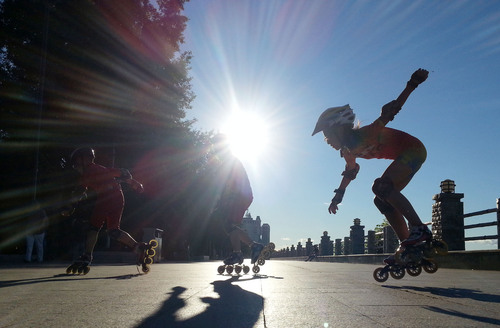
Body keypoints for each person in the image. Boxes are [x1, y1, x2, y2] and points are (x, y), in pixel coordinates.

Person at [312, 68, 431, 264]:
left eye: (328, 135)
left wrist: (412, 84)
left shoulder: (365, 135)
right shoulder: (349, 150)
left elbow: (392, 110)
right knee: (381, 200)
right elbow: (350, 172)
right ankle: (409, 246)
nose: (326, 141)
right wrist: (337, 196)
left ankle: (419, 229)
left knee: (381, 186)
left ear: (340, 129)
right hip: (405, 156)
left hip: (414, 150)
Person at [64, 147, 146, 267]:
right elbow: (122, 172)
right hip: (118, 197)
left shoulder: (89, 171)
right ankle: (137, 247)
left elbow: (80, 191)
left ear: (85, 160)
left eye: (76, 164)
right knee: (113, 230)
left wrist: (70, 206)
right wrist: (134, 183)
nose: (75, 167)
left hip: (106, 198)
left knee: (93, 228)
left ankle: (87, 256)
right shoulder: (97, 169)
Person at [210, 135, 264, 266]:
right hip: (239, 196)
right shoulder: (228, 161)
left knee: (230, 224)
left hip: (239, 196)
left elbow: (228, 183)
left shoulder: (230, 161)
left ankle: (238, 253)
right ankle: (253, 246)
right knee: (229, 225)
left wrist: (221, 200)